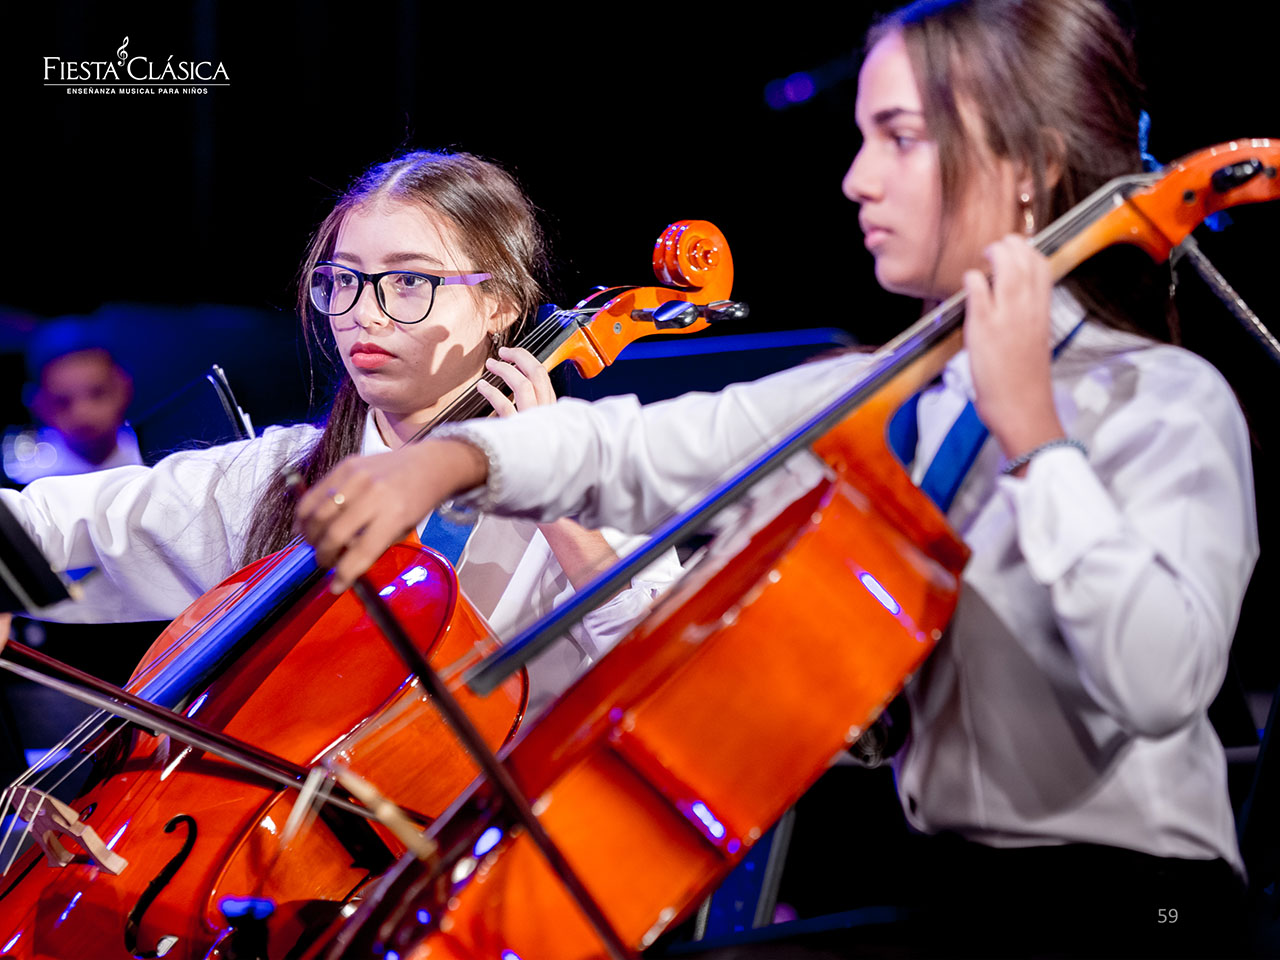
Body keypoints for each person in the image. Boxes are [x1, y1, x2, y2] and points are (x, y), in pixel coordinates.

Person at [297, 2, 1258, 955]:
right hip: (950, 888)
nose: (857, 178)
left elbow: (1157, 681)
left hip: (1142, 907)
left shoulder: (1163, 401)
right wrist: (454, 457)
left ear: (1031, 169)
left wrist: (1036, 440)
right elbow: (639, 448)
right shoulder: (885, 393)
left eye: (900, 138)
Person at [0, 150, 679, 717]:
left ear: (499, 301)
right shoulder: (280, 477)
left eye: (408, 281)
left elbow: (670, 677)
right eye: (344, 280)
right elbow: (48, 526)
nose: (364, 314)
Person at [4, 318, 140, 485]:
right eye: (62, 402)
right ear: (40, 405)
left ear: (123, 387)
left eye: (97, 393)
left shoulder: (155, 465)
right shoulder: (29, 488)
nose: (83, 412)